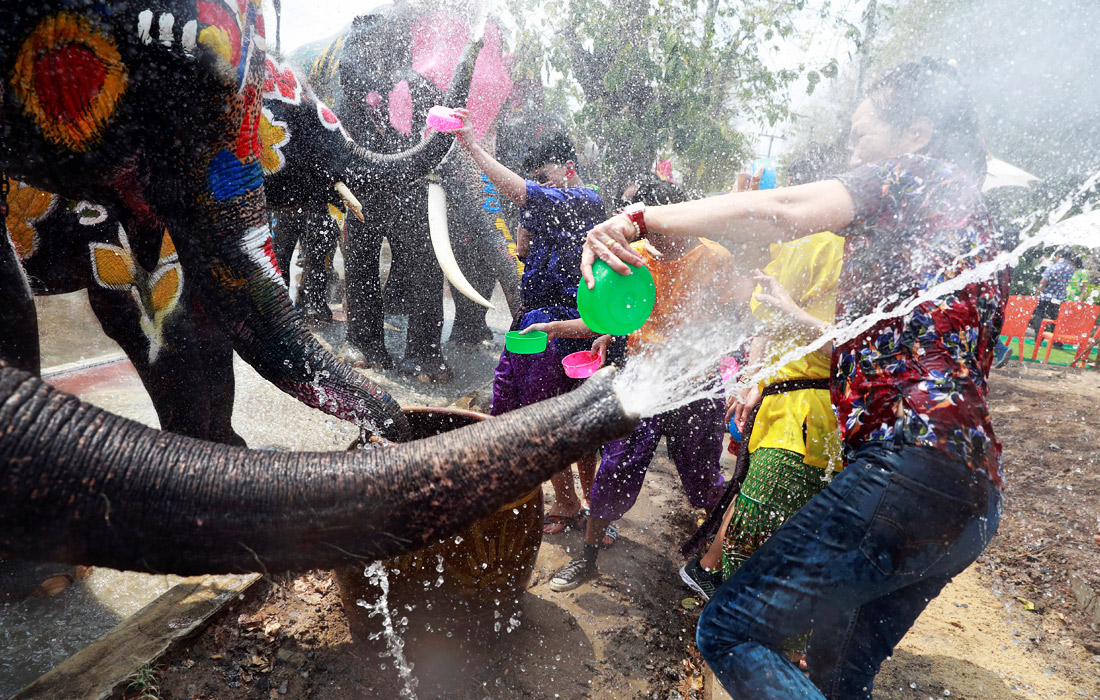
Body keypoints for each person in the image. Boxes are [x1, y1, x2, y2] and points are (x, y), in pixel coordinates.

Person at [582, 58, 1007, 699]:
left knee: (730, 629)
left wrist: (642, 219)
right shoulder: (973, 225)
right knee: (838, 675)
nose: (852, 151)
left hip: (907, 470)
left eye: (863, 136)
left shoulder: (915, 177)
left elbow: (780, 209)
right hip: (975, 494)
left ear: (916, 132)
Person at [525, 179, 752, 592]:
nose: (646, 233)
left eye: (652, 224)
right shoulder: (635, 259)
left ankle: (716, 561)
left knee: (705, 478)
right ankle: (588, 558)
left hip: (696, 390)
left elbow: (741, 321)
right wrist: (557, 327)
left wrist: (743, 378)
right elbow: (608, 317)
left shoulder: (716, 260)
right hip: (643, 383)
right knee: (614, 468)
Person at [679, 146, 846, 606]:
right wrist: (754, 378)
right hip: (801, 416)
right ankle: (730, 614)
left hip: (794, 411)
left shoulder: (814, 247)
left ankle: (713, 582)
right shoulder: (826, 247)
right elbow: (772, 320)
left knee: (755, 509)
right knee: (765, 527)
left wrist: (753, 378)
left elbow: (766, 320)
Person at [447, 110, 606, 532]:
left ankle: (596, 508)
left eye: (545, 174)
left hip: (574, 328)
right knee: (526, 416)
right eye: (535, 176)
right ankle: (565, 502)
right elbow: (521, 250)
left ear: (570, 169)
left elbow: (523, 194)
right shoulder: (539, 207)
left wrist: (474, 148)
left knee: (577, 425)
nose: (540, 182)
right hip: (530, 324)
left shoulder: (586, 200)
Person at [1031, 247, 1076, 337]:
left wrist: (1036, 295)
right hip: (1060, 299)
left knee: (1039, 316)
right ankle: (1056, 341)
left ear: (1059, 256)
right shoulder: (1071, 269)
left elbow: (1042, 283)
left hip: (1046, 297)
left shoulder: (1053, 267)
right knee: (1056, 319)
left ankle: (1039, 337)